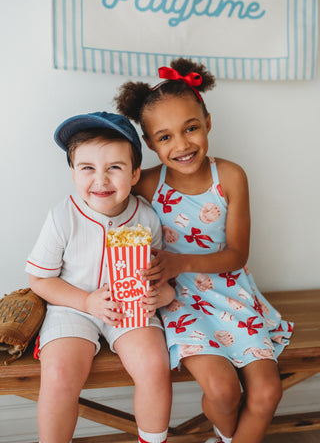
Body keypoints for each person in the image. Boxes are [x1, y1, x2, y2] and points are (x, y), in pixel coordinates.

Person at [114, 60, 294, 443]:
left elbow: (237, 255)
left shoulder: (230, 176)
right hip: (180, 300)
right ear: (149, 144)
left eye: (191, 128)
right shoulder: (145, 184)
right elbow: (111, 224)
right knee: (223, 392)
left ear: (207, 122)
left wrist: (181, 261)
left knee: (267, 392)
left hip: (232, 293)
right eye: (164, 137)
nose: (181, 145)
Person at [26, 112, 175, 443]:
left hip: (131, 309)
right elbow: (40, 280)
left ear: (135, 173)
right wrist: (85, 301)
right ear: (73, 172)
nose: (101, 179)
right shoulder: (62, 216)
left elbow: (163, 280)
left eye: (115, 168)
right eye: (88, 168)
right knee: (60, 373)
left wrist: (162, 296)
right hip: (73, 307)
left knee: (154, 365)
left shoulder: (147, 217)